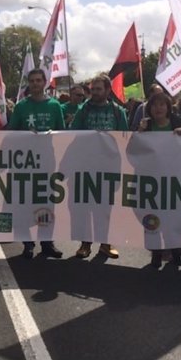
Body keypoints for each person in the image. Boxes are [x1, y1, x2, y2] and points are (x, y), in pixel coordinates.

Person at [8, 68, 64, 259]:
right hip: (25, 164)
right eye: (32, 81)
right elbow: (12, 132)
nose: (35, 84)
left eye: (38, 80)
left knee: (47, 203)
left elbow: (62, 134)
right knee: (25, 203)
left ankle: (47, 242)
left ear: (45, 82)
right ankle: (28, 243)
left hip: (48, 163)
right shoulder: (21, 107)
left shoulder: (55, 106)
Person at [70, 74, 127, 260]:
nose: (94, 93)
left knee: (107, 208)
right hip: (87, 167)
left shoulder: (118, 112)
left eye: (98, 89)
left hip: (110, 166)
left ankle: (106, 244)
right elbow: (73, 134)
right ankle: (85, 244)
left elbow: (125, 138)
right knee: (86, 206)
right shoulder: (83, 110)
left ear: (108, 90)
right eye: (92, 89)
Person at [137, 92, 181, 268]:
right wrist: (141, 131)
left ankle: (176, 252)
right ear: (149, 109)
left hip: (174, 179)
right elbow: (134, 149)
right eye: (154, 105)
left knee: (175, 217)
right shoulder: (146, 126)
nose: (158, 108)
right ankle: (156, 254)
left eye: (162, 105)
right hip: (152, 180)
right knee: (152, 218)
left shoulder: (178, 123)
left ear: (168, 107)